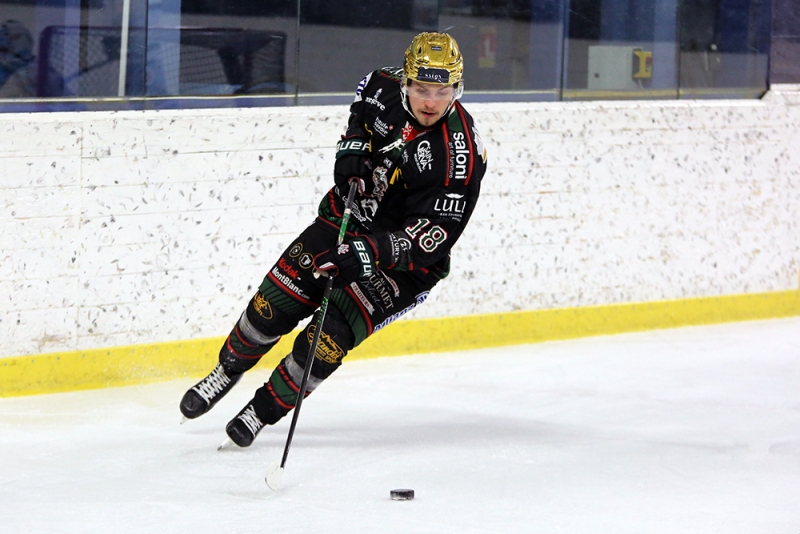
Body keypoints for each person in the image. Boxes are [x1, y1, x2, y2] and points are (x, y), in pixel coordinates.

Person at [179, 32, 488, 447]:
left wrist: (369, 252)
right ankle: (227, 370)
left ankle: (260, 411)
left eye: (442, 91)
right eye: (421, 89)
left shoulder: (458, 155)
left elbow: (433, 238)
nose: (431, 102)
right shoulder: (383, 84)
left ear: (457, 89)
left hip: (402, 267)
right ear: (405, 81)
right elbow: (363, 103)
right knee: (272, 305)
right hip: (347, 217)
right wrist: (353, 145)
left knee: (326, 340)